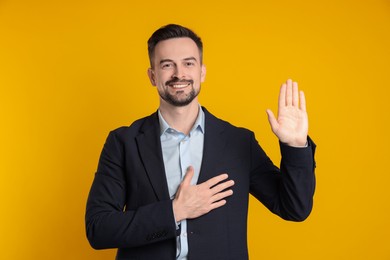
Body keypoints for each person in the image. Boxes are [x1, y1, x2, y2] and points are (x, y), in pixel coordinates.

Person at [85, 24, 316, 260]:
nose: (179, 74)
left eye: (188, 63)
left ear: (202, 72)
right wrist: (174, 211)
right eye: (167, 65)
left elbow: (294, 208)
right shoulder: (123, 142)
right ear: (153, 76)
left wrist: (295, 147)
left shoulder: (239, 142)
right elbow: (98, 228)